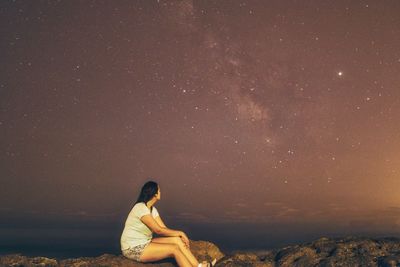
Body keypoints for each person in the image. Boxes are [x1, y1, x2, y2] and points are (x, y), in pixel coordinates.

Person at [121, 180, 217, 267]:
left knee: (177, 240)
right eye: (159, 190)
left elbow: (163, 228)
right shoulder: (140, 207)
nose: (160, 192)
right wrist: (181, 233)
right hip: (133, 248)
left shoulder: (153, 210)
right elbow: (158, 230)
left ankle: (199, 266)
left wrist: (178, 236)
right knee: (174, 249)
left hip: (145, 242)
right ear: (154, 193)